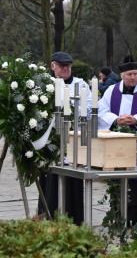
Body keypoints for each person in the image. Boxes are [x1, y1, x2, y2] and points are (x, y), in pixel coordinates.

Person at [98, 55, 137, 224]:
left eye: (135, 74)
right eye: (129, 74)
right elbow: (101, 111)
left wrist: (136, 119)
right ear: (122, 76)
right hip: (117, 144)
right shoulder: (111, 91)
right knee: (117, 181)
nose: (133, 77)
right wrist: (116, 119)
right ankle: (118, 215)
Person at [38, 51, 92, 225]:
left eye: (68, 66)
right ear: (53, 66)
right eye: (62, 66)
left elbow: (88, 109)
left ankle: (74, 217)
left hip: (73, 137)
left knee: (73, 177)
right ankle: (48, 214)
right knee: (50, 178)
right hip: (50, 139)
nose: (66, 69)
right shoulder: (45, 84)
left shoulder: (81, 85)